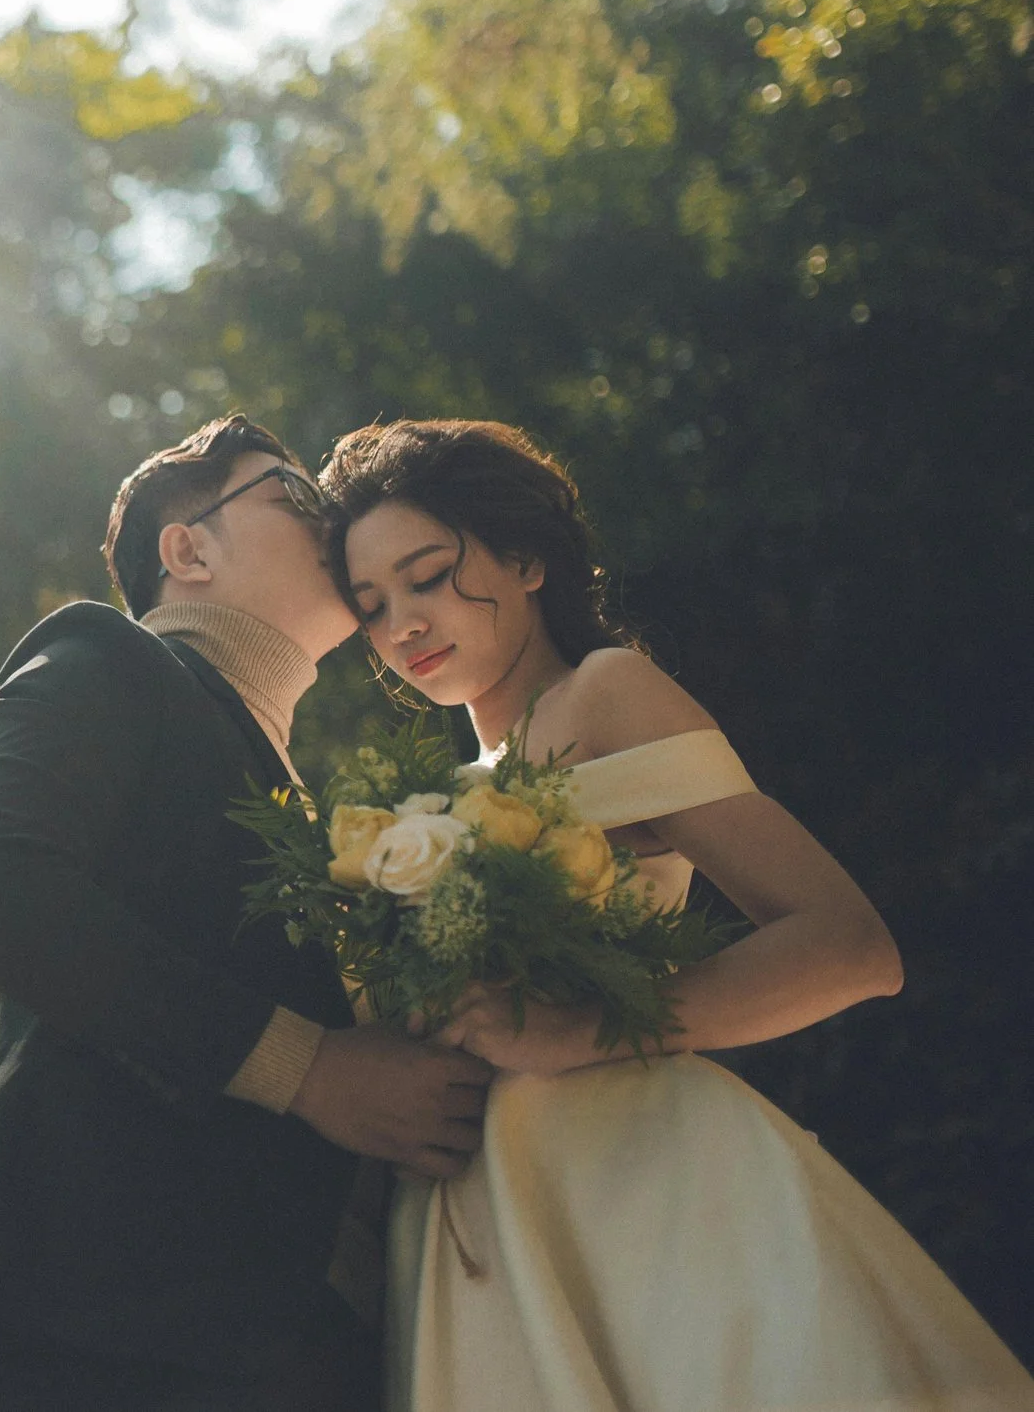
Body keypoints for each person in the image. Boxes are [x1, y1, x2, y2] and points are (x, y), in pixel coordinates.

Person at [319, 417, 1034, 1412]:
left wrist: (580, 1029)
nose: (402, 621)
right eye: (370, 604)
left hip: (644, 1194)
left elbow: (851, 945)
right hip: (488, 1227)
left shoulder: (606, 692)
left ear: (524, 557)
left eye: (429, 572)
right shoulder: (438, 798)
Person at [0, 415, 496, 1412]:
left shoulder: (300, 801)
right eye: (295, 496)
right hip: (115, 1332)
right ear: (185, 549)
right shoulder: (104, 656)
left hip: (296, 1347)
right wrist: (307, 1066)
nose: (335, 517)